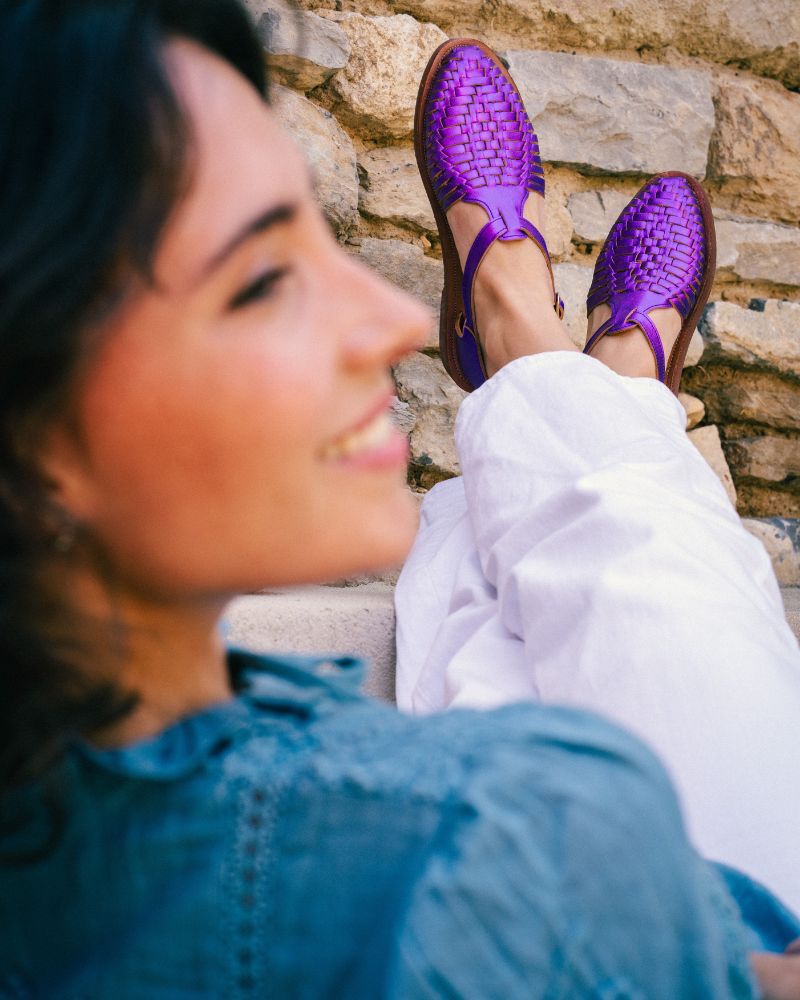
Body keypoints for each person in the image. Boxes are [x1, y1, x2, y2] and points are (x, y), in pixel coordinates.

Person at [0, 2, 797, 997]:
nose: (391, 316)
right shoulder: (533, 826)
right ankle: (591, 382)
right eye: (262, 280)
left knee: (493, 620)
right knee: (654, 570)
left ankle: (545, 356)